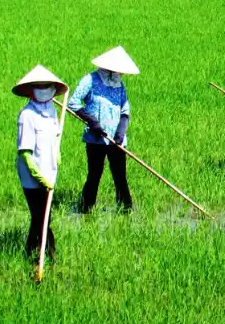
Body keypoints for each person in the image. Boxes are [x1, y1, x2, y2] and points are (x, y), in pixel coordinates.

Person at [68, 46, 140, 213]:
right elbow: (73, 103)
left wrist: (120, 133)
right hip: (96, 138)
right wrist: (93, 123)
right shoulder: (90, 80)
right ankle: (86, 209)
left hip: (116, 141)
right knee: (94, 175)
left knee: (120, 176)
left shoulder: (120, 85)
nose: (118, 73)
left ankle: (125, 209)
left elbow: (125, 111)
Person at [13, 65, 68, 261]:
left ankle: (31, 253)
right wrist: (39, 177)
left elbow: (54, 139)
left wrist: (56, 155)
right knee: (42, 217)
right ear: (32, 89)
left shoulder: (52, 111)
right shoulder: (27, 115)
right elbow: (25, 153)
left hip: (49, 171)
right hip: (32, 177)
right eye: (39, 86)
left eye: (46, 86)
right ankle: (49, 256)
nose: (43, 89)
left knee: (41, 218)